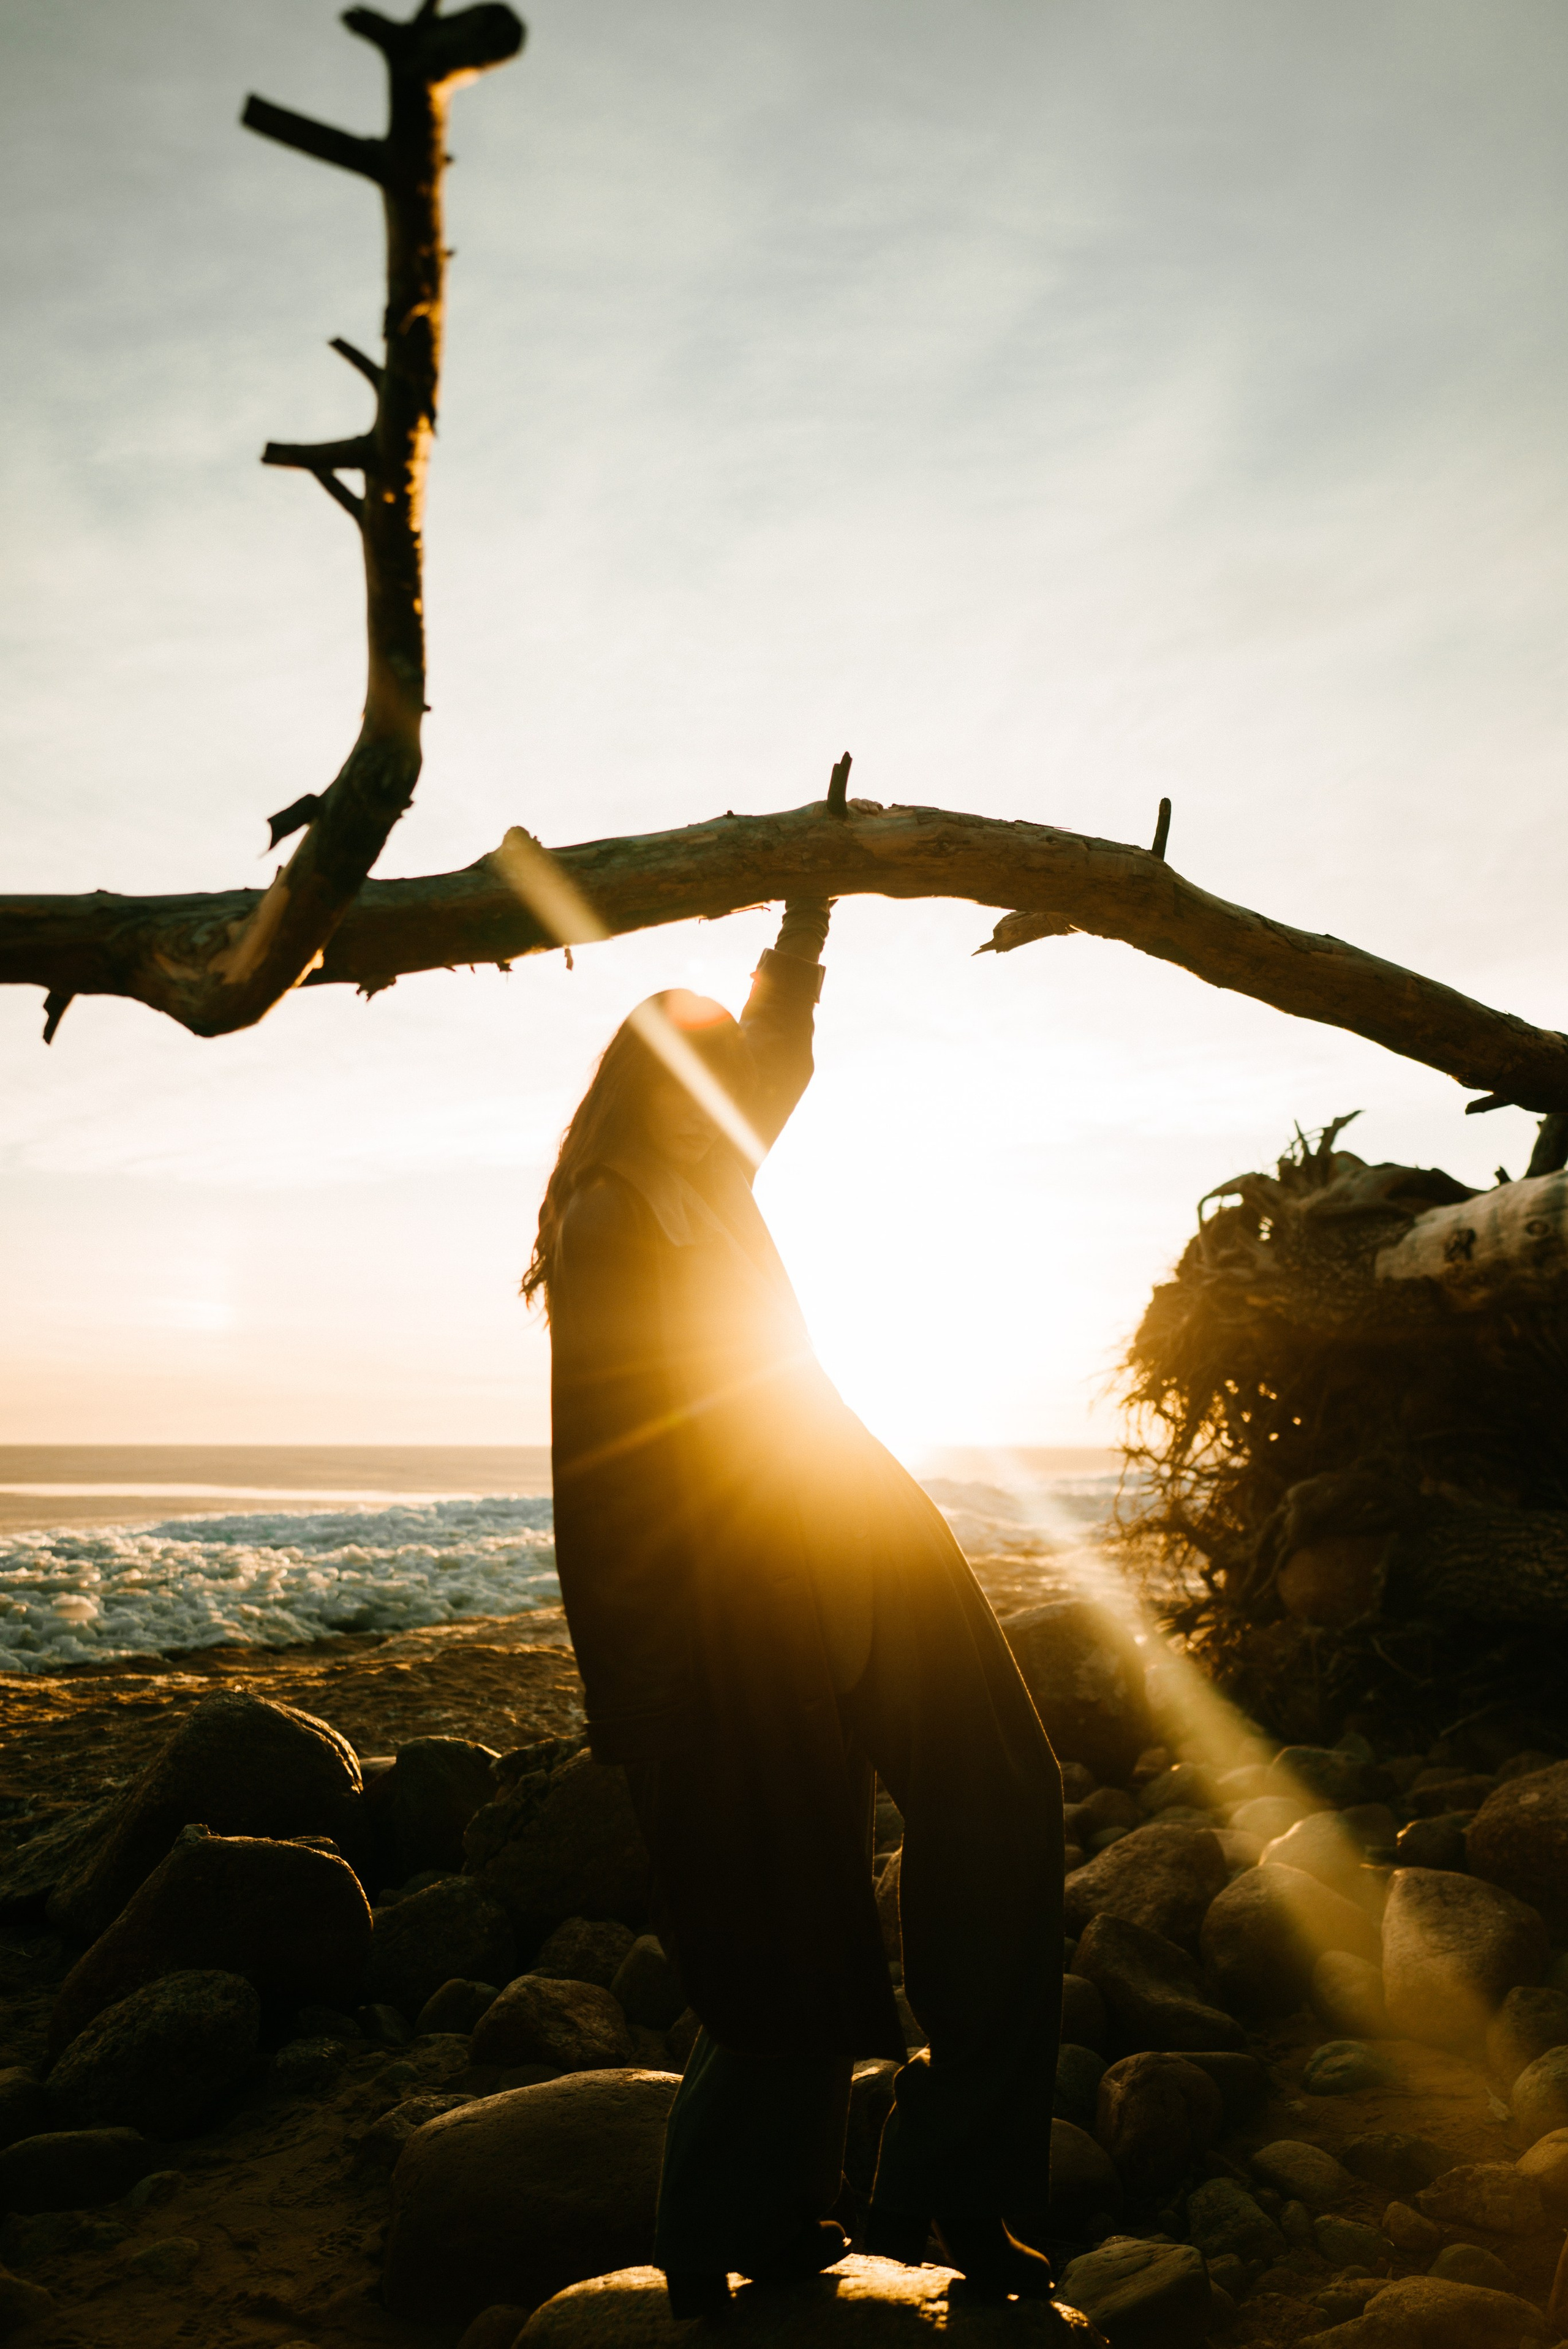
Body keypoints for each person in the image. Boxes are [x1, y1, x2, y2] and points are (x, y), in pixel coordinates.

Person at [523, 898, 1068, 2318]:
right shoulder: (615, 1211)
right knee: (785, 1918)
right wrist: (631, 1692)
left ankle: (958, 2172)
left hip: (860, 1521)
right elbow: (605, 1467)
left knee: (1006, 1798)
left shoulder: (717, 1165)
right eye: (701, 1080)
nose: (736, 1100)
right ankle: (735, 2222)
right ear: (651, 1091)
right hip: (739, 1595)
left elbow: (776, 1054)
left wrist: (804, 918)